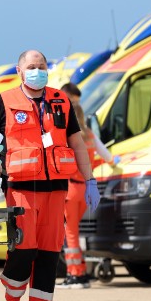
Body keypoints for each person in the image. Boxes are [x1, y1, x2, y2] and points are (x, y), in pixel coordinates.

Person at [0, 49, 100, 301]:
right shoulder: (2, 102)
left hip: (56, 190)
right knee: (23, 250)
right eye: (31, 66)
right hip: (21, 191)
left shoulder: (61, 101)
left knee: (50, 254)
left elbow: (76, 143)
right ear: (19, 71)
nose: (37, 70)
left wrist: (90, 179)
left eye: (41, 66)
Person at [57, 82, 115, 289]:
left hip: (71, 189)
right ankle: (79, 272)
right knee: (76, 231)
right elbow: (108, 156)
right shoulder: (90, 134)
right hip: (86, 189)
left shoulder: (67, 136)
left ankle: (76, 275)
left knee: (70, 234)